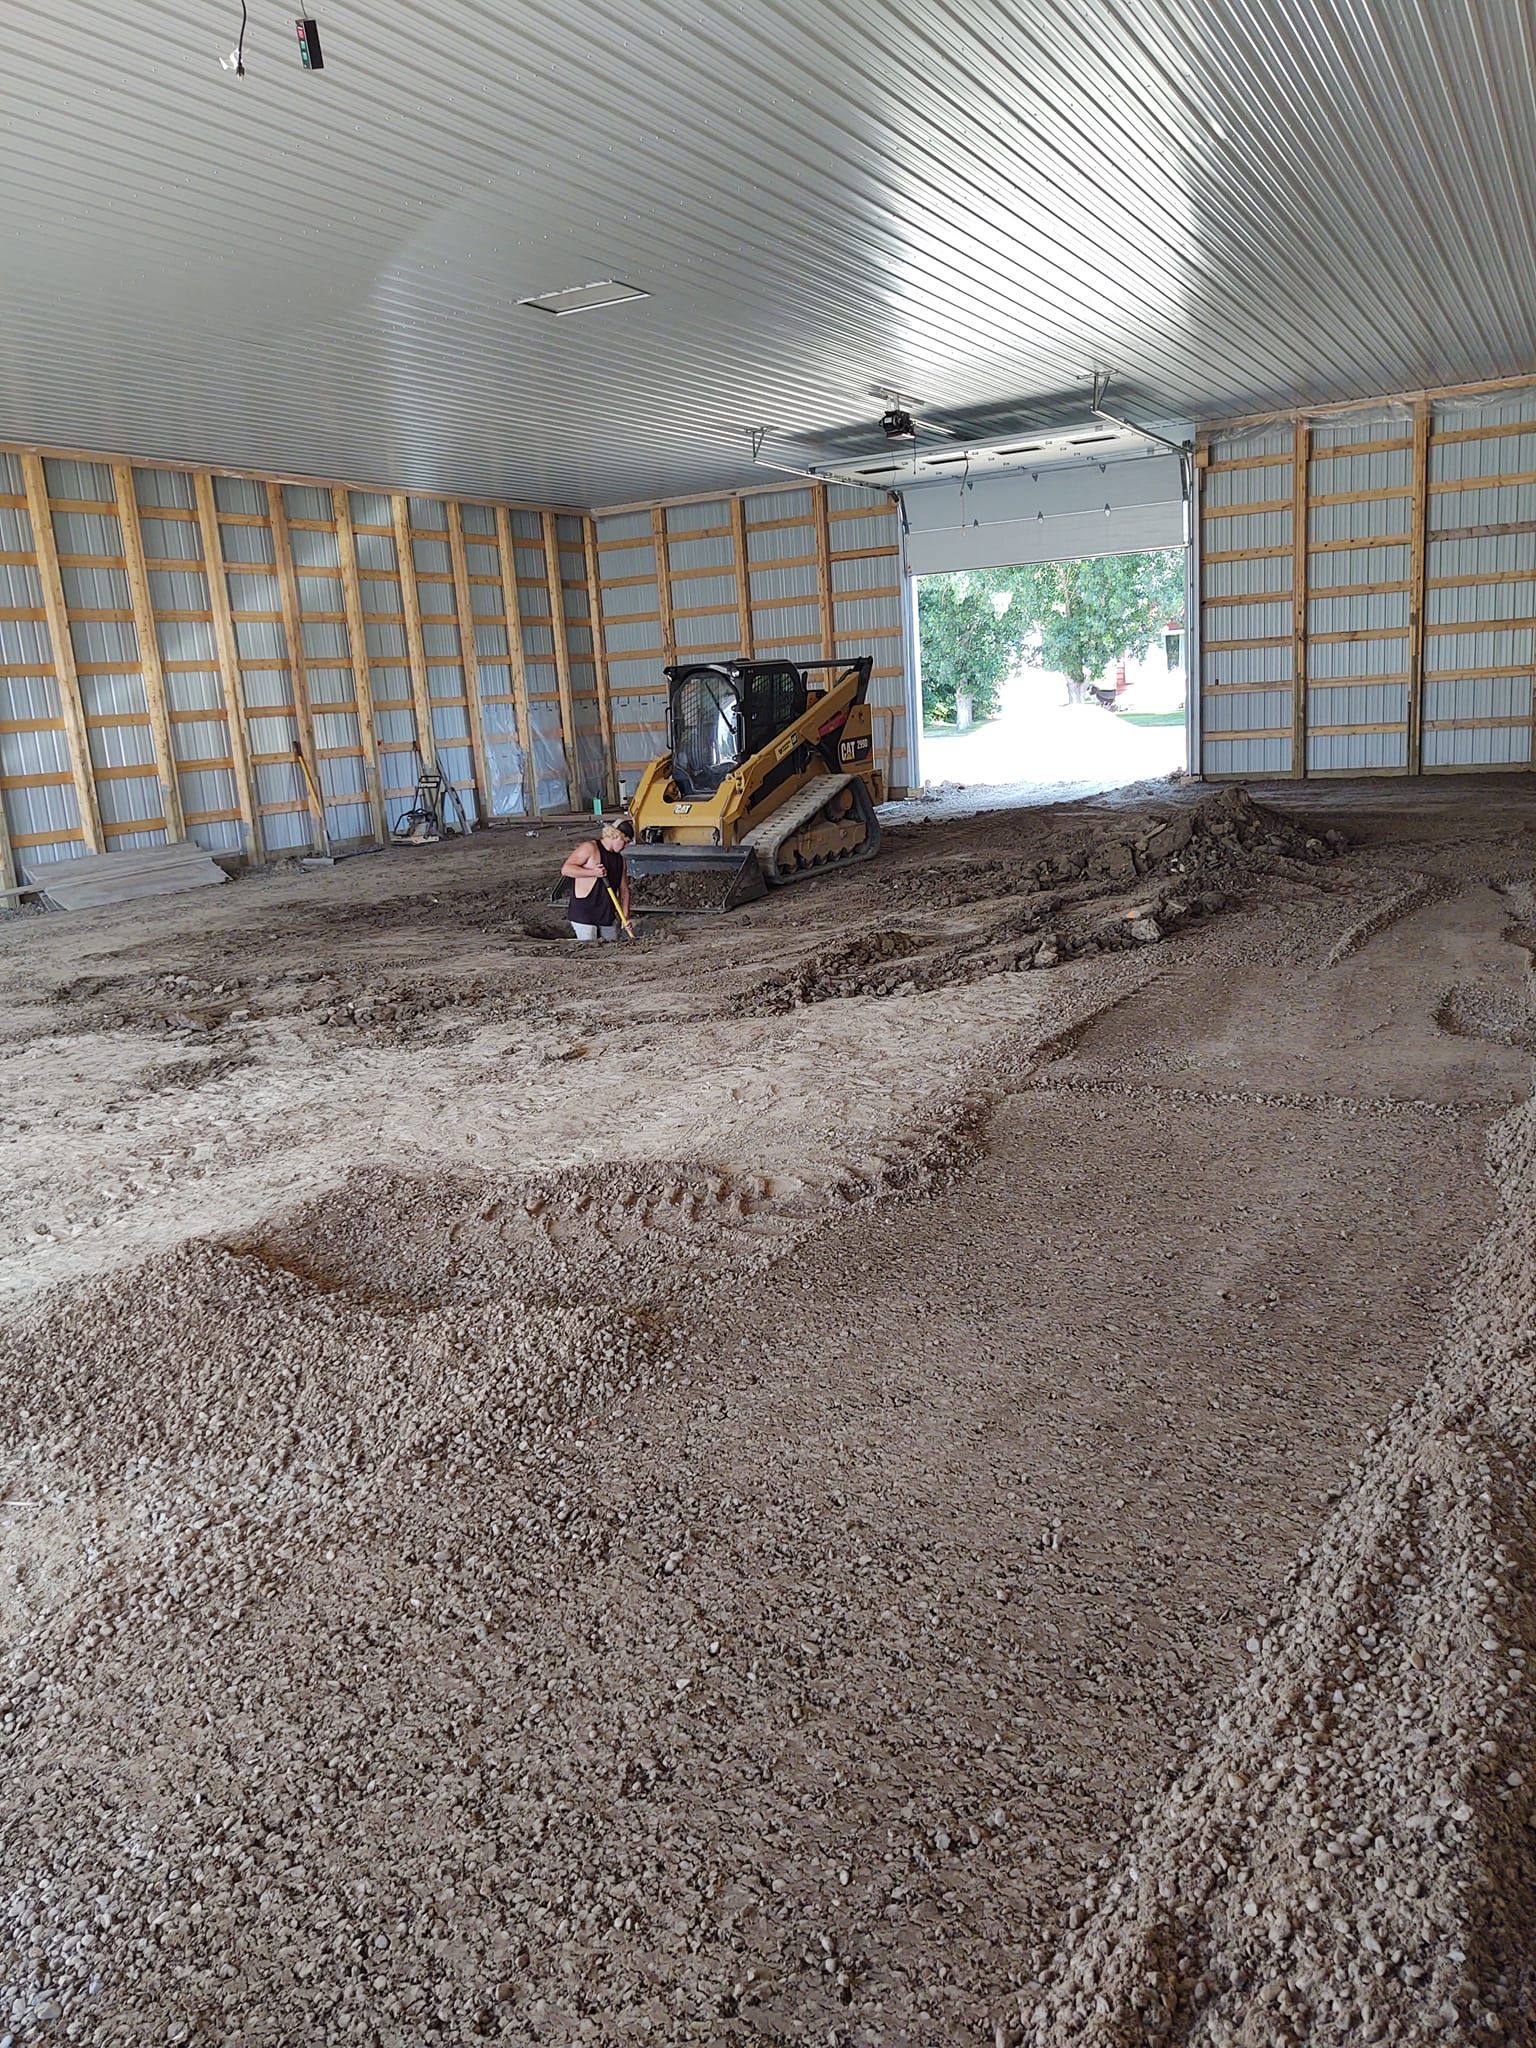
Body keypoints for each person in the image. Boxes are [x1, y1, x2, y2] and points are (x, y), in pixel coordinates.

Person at [561, 817, 634, 941]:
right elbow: (566, 869)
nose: (625, 846)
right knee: (590, 949)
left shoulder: (620, 860)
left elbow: (624, 890)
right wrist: (593, 872)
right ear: (617, 836)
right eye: (625, 841)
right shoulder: (589, 848)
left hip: (607, 914)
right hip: (585, 913)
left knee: (612, 948)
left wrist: (625, 916)